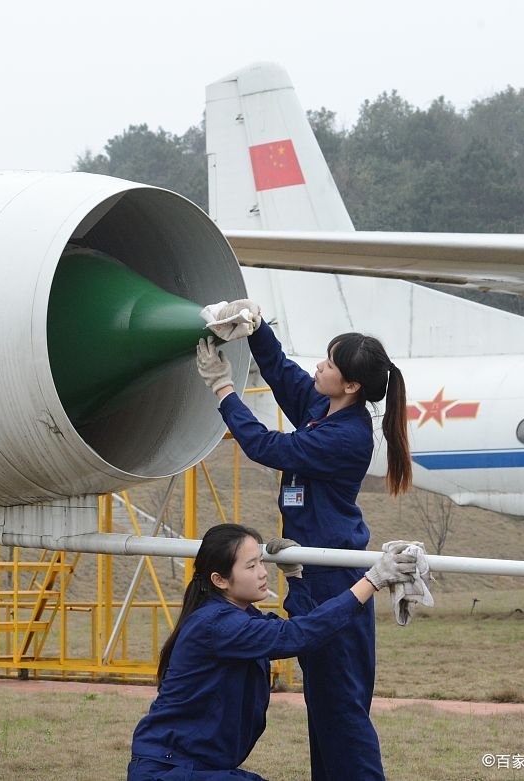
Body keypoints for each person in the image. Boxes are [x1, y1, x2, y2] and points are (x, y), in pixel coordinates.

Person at [194, 299, 412, 781]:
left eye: (330, 363)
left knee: (341, 705)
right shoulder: (324, 407)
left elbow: (267, 446)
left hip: (335, 575)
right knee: (324, 701)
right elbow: (283, 373)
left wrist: (223, 388)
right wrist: (255, 326)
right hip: (308, 572)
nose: (320, 366)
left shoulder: (346, 436)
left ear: (351, 385)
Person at [129, 524, 416, 780]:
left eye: (262, 562)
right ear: (220, 580)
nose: (263, 573)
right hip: (168, 770)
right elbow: (298, 635)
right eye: (251, 566)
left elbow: (303, 632)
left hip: (198, 768)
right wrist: (372, 581)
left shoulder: (239, 619)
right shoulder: (216, 626)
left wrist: (296, 578)